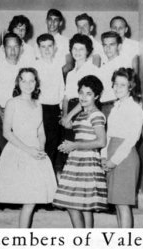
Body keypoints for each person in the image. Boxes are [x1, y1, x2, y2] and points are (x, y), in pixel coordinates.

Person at [0, 68, 57, 228]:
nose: (28, 84)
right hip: (19, 151)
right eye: (24, 80)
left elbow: (41, 131)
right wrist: (28, 150)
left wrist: (41, 149)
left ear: (36, 83)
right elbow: (7, 132)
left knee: (32, 201)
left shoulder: (38, 104)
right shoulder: (12, 103)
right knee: (28, 200)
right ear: (18, 82)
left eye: (31, 80)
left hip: (36, 153)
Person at [53, 75, 108, 228]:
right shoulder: (84, 113)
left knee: (72, 202)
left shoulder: (96, 115)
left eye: (89, 94)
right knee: (84, 205)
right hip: (77, 159)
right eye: (81, 93)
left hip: (86, 160)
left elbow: (101, 141)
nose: (83, 97)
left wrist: (74, 145)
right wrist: (70, 117)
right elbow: (72, 125)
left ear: (97, 96)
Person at [101, 68, 143, 228]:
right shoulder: (116, 107)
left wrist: (114, 160)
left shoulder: (135, 108)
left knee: (123, 204)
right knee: (117, 204)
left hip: (125, 159)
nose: (117, 88)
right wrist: (104, 156)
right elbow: (109, 134)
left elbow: (131, 139)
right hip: (112, 153)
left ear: (131, 87)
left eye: (122, 85)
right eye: (116, 84)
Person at [56, 33, 100, 177]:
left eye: (81, 49)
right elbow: (66, 96)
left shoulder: (92, 70)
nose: (77, 52)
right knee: (65, 152)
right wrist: (64, 117)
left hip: (82, 112)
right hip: (69, 112)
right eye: (75, 48)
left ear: (88, 51)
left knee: (78, 153)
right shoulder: (70, 73)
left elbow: (85, 99)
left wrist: (69, 117)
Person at [34, 34, 65, 175]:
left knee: (52, 145)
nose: (46, 50)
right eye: (43, 46)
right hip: (39, 109)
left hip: (54, 111)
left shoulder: (58, 66)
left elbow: (61, 90)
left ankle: (48, 177)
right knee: (40, 144)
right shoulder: (35, 66)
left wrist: (61, 111)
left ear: (55, 48)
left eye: (49, 46)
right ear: (38, 48)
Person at [0, 32, 22, 150]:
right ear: (3, 49)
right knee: (5, 151)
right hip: (2, 113)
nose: (13, 51)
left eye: (16, 47)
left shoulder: (25, 68)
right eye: (9, 47)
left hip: (21, 115)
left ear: (21, 48)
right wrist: (2, 114)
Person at [99, 31, 131, 117]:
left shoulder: (123, 64)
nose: (108, 48)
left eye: (111, 45)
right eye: (105, 45)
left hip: (116, 105)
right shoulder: (103, 66)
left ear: (119, 46)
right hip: (104, 106)